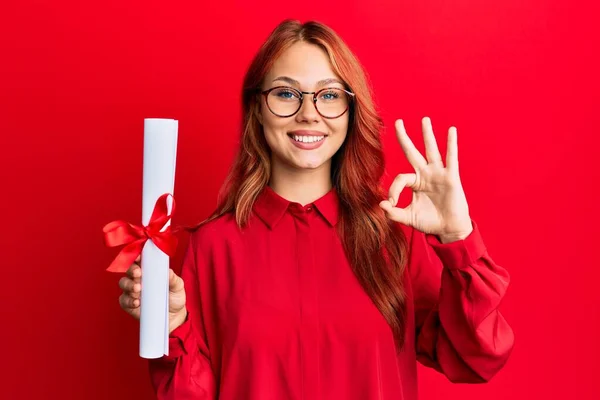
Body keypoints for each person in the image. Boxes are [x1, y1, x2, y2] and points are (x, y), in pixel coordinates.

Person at [117, 19, 514, 400]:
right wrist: (171, 325)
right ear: (257, 107)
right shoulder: (211, 248)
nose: (310, 113)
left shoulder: (393, 238)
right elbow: (190, 394)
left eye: (329, 95)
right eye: (287, 93)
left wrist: (458, 238)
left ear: (350, 109)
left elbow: (478, 357)